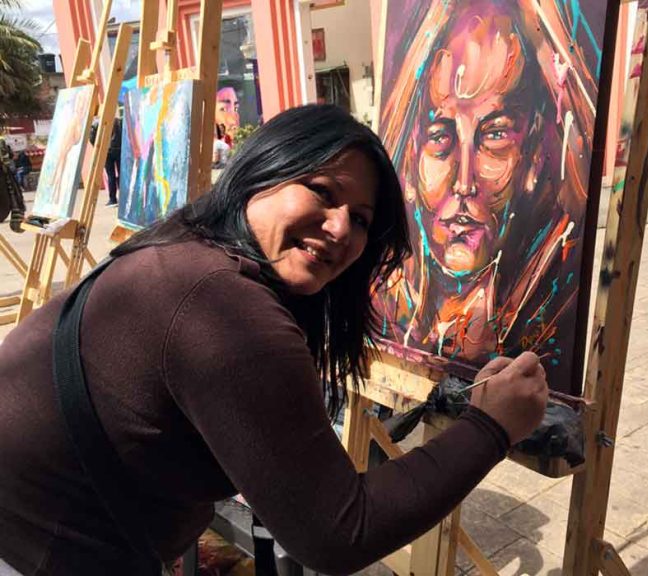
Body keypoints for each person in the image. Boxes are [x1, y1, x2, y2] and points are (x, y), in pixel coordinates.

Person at [0, 105, 548, 575]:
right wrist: (490, 426)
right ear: (262, 171)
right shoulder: (223, 306)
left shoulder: (182, 245)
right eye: (322, 192)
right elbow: (339, 532)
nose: (340, 228)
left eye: (360, 219)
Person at [372, 0, 601, 393]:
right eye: (440, 137)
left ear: (532, 157)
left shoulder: (550, 316)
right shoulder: (387, 312)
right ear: (409, 160)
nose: (464, 183)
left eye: (495, 135)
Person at [105, 113, 123, 206]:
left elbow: (92, 136)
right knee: (121, 174)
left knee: (110, 175)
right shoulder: (119, 122)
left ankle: (112, 199)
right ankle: (123, 198)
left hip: (106, 151)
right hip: (119, 150)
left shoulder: (102, 122)